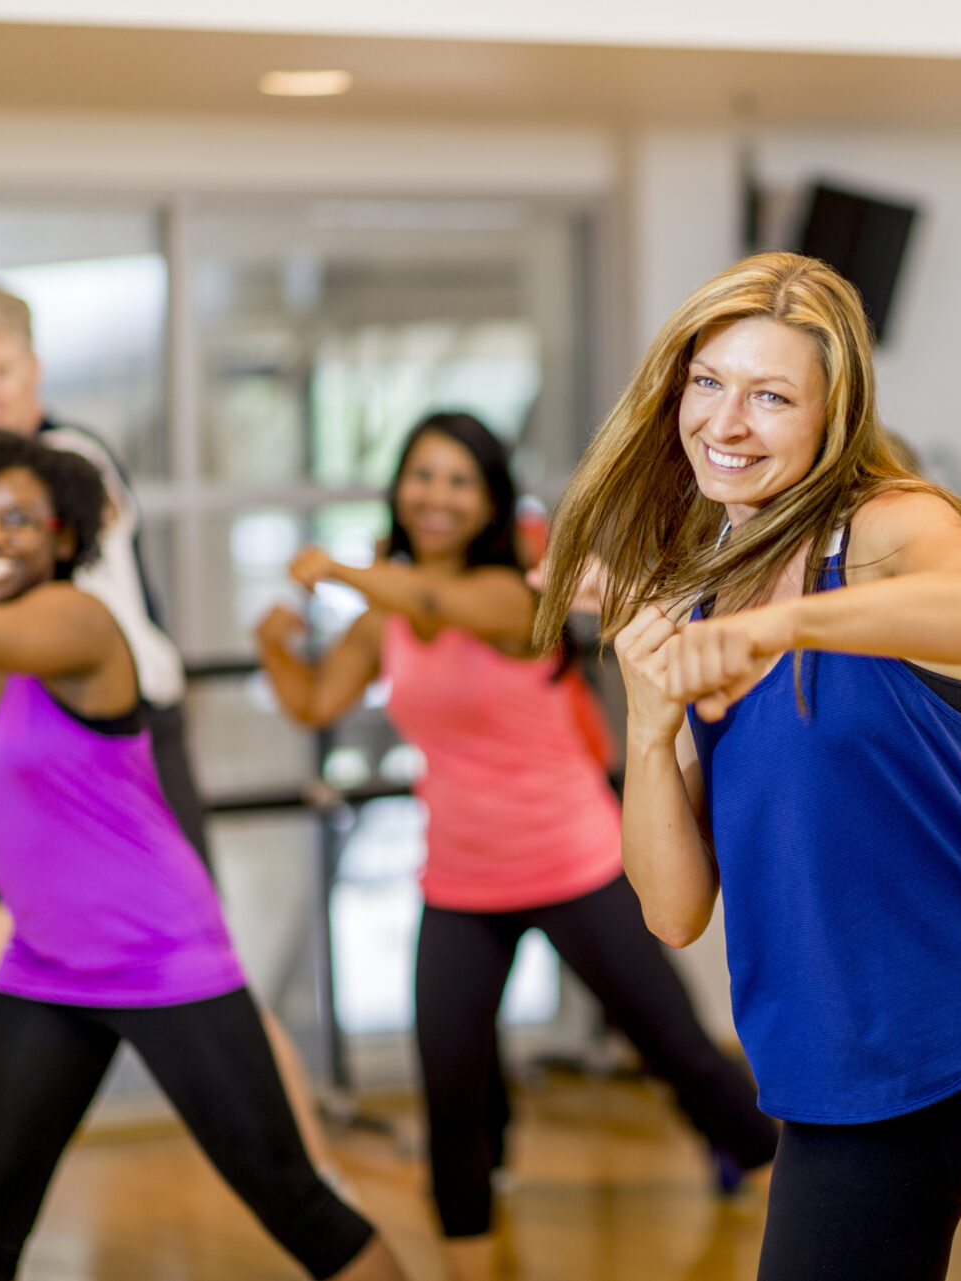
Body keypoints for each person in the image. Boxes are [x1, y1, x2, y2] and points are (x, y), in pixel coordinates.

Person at [534, 252, 961, 1281]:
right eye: (709, 384)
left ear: (830, 416)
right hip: (839, 1095)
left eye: (771, 396)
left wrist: (791, 626)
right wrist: (649, 721)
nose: (725, 423)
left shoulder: (891, 529)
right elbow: (674, 912)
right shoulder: (702, 605)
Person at [0, 429, 406, 1281]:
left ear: (65, 536)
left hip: (161, 956)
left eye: (20, 518)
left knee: (291, 1198)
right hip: (44, 967)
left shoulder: (76, 620)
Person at [0, 284, 334, 1175]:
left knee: (212, 979)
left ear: (35, 368)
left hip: (120, 740)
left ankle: (313, 1167)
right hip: (16, 742)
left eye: (1, 369)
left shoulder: (66, 461)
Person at [255, 411, 778, 1281]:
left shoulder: (517, 591)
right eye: (422, 476)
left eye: (460, 480)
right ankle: (468, 1262)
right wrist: (272, 648)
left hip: (575, 856)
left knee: (674, 1046)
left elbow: (435, 600)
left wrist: (342, 568)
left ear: (491, 500)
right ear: (399, 488)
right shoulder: (385, 611)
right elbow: (315, 701)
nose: (436, 495)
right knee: (450, 1089)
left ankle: (764, 1169)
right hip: (459, 876)